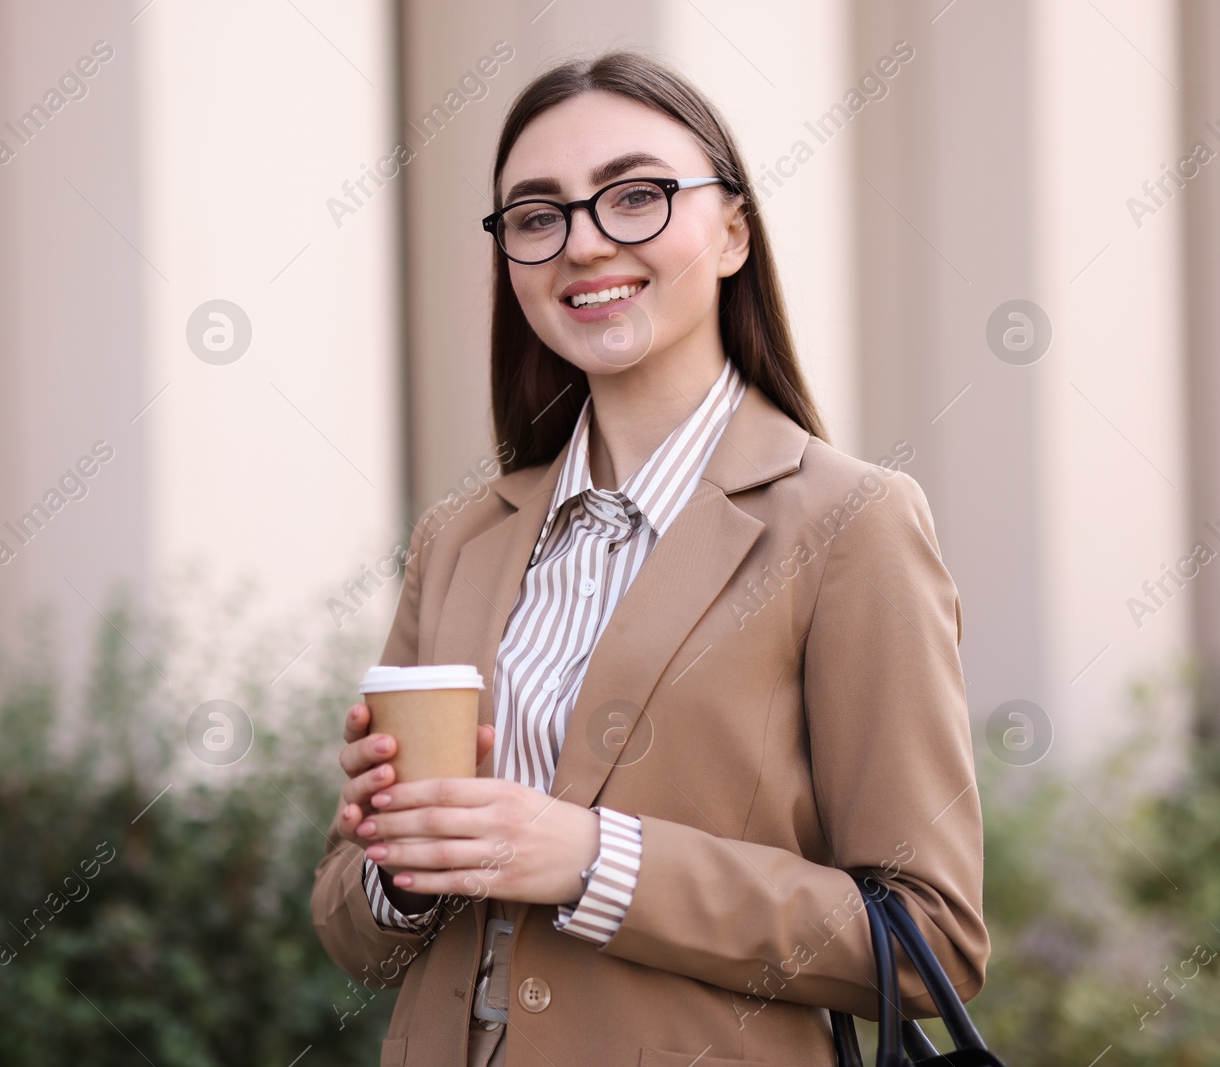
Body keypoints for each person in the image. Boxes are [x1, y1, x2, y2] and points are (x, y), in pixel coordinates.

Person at [311, 50, 988, 1067]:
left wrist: (589, 858)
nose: (581, 243)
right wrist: (404, 862)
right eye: (537, 216)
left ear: (731, 232)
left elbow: (925, 938)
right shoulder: (460, 536)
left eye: (635, 197)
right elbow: (351, 935)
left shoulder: (851, 521)